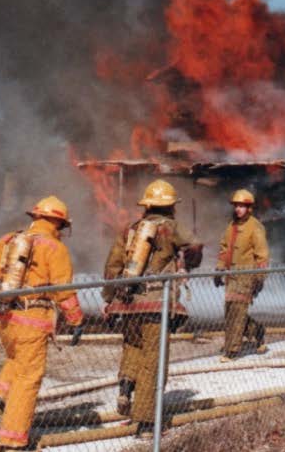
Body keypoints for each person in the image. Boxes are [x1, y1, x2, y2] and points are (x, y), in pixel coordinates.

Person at [0, 195, 84, 450]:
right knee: (29, 377)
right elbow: (64, 290)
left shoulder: (8, 240)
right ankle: (13, 441)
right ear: (58, 224)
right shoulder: (55, 248)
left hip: (5, 318)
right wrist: (76, 320)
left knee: (15, 360)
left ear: (36, 218)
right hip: (33, 320)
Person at [102, 179, 202, 436]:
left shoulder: (131, 230)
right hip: (156, 303)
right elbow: (195, 245)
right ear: (170, 207)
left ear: (146, 205)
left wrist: (109, 300)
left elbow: (113, 266)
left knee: (132, 348)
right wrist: (190, 261)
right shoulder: (170, 227)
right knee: (152, 361)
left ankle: (125, 389)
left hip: (127, 303)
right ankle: (146, 422)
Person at [214, 188, 270, 362]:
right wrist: (219, 269)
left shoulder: (255, 227)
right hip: (232, 276)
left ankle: (232, 350)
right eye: (236, 205)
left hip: (247, 276)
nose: (238, 209)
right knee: (230, 310)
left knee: (237, 310)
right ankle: (257, 331)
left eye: (242, 206)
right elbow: (224, 249)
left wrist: (260, 278)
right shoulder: (231, 226)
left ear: (249, 208)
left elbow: (262, 255)